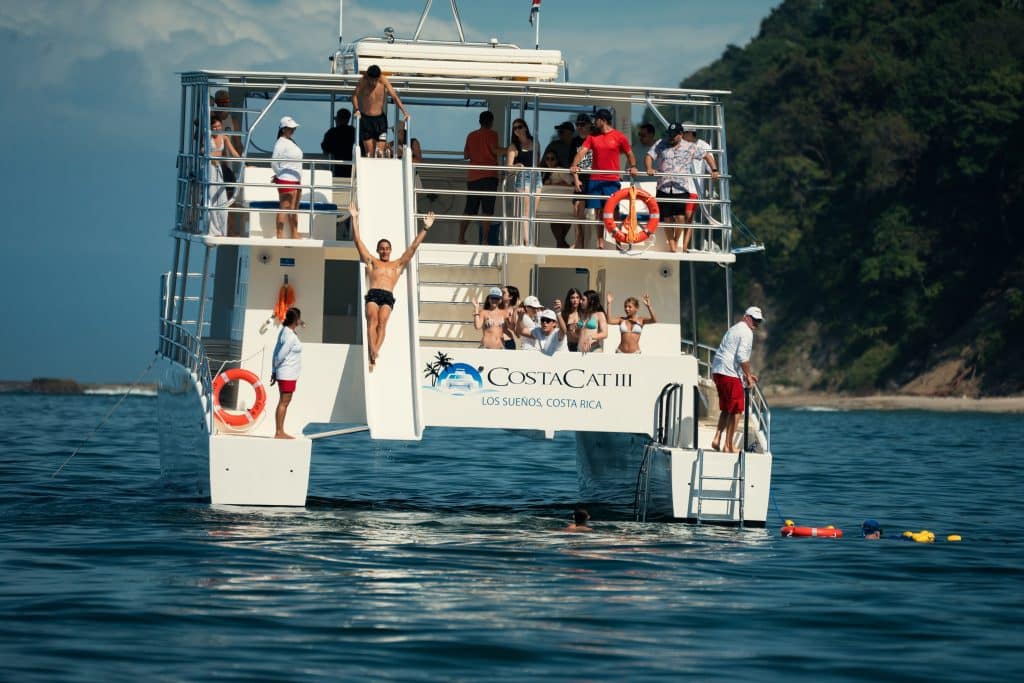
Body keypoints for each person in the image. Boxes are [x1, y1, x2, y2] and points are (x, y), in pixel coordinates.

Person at [349, 201, 435, 367]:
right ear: (378, 250)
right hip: (373, 293)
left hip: (388, 295)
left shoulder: (397, 264)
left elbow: (413, 247)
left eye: (387, 248)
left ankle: (374, 353)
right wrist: (354, 218)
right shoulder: (372, 261)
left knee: (382, 323)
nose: (384, 250)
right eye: (382, 248)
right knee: (372, 319)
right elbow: (357, 241)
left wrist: (425, 228)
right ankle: (373, 351)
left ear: (390, 250)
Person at [570, 108, 638, 249]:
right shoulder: (592, 137)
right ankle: (600, 241)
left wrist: (633, 166)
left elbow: (629, 153)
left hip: (612, 179)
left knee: (614, 211)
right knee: (598, 211)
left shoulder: (619, 136)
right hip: (595, 179)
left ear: (603, 120)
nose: (594, 122)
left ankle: (618, 240)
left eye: (596, 119)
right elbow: (582, 151)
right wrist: (574, 165)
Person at [710, 306, 763, 453]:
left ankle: (717, 438)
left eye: (758, 321)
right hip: (729, 373)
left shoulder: (734, 328)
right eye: (754, 319)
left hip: (718, 371)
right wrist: (748, 376)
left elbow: (731, 353)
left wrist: (746, 374)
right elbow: (741, 357)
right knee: (737, 410)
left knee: (727, 408)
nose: (756, 323)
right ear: (746, 317)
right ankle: (729, 446)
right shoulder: (747, 332)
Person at [458, 111, 502, 245]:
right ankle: (484, 240)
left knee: (470, 209)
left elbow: (466, 155)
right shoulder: (492, 134)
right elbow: (494, 150)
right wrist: (509, 150)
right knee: (487, 210)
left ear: (479, 121)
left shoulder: (471, 135)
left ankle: (461, 237)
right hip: (489, 176)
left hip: (474, 177)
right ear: (491, 122)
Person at [676, 122, 720, 251]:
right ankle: (675, 243)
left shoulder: (703, 146)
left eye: (683, 133)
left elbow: (710, 165)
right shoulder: (679, 145)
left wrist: (714, 171)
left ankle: (683, 246)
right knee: (678, 216)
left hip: (694, 188)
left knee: (688, 216)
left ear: (691, 133)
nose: (681, 136)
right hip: (678, 187)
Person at [352, 64, 409, 158]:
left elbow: (394, 96)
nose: (373, 83)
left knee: (380, 152)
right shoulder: (363, 81)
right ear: (368, 77)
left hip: (380, 120)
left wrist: (404, 112)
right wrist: (357, 110)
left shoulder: (383, 80)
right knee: (369, 153)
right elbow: (354, 96)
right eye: (371, 80)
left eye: (375, 80)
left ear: (378, 77)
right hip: (366, 120)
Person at [271, 307, 302, 439]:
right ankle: (279, 432)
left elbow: (275, 351)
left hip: (286, 374)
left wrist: (274, 371)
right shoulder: (291, 337)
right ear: (296, 320)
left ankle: (280, 431)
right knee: (284, 402)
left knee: (283, 402)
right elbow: (280, 355)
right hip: (287, 374)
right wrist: (276, 369)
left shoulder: (285, 331)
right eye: (299, 318)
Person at [208, 116, 240, 236]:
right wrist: (211, 156)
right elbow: (202, 150)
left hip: (219, 168)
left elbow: (233, 152)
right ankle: (213, 230)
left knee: (222, 199)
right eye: (214, 127)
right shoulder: (207, 137)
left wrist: (245, 163)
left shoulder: (224, 137)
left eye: (218, 126)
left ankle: (222, 230)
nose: (217, 128)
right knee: (212, 197)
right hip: (210, 168)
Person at [272, 116, 303, 239]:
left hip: (296, 180)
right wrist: (279, 175)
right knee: (285, 207)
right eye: (290, 128)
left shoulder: (290, 141)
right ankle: (279, 235)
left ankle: (294, 233)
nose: (293, 130)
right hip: (286, 179)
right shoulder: (280, 143)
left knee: (294, 208)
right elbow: (274, 162)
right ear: (283, 129)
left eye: (293, 128)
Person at [570, 114, 593, 249]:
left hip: (595, 179)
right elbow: (572, 164)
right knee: (577, 209)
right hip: (581, 179)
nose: (579, 127)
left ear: (589, 125)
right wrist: (576, 180)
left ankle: (598, 243)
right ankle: (579, 243)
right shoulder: (575, 142)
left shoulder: (596, 138)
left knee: (597, 212)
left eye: (582, 124)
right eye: (577, 125)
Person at [320, 108, 355, 178]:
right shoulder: (354, 132)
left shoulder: (332, 132)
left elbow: (325, 148)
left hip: (337, 166)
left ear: (338, 119)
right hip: (352, 166)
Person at [501, 285, 521, 350]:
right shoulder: (497, 308)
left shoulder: (514, 311)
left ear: (511, 297)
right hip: (494, 342)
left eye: (503, 293)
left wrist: (514, 312)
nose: (500, 294)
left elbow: (515, 331)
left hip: (507, 342)